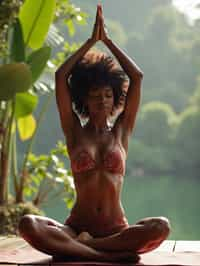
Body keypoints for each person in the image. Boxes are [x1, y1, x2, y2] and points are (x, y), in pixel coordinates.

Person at [18, 5, 170, 263]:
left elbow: (137, 76)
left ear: (115, 97)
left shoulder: (122, 131)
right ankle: (107, 256)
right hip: (76, 227)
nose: (103, 101)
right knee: (28, 224)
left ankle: (87, 248)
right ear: (84, 99)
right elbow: (61, 75)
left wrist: (107, 42)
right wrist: (90, 43)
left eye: (108, 95)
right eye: (95, 95)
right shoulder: (74, 131)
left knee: (160, 227)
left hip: (115, 229)